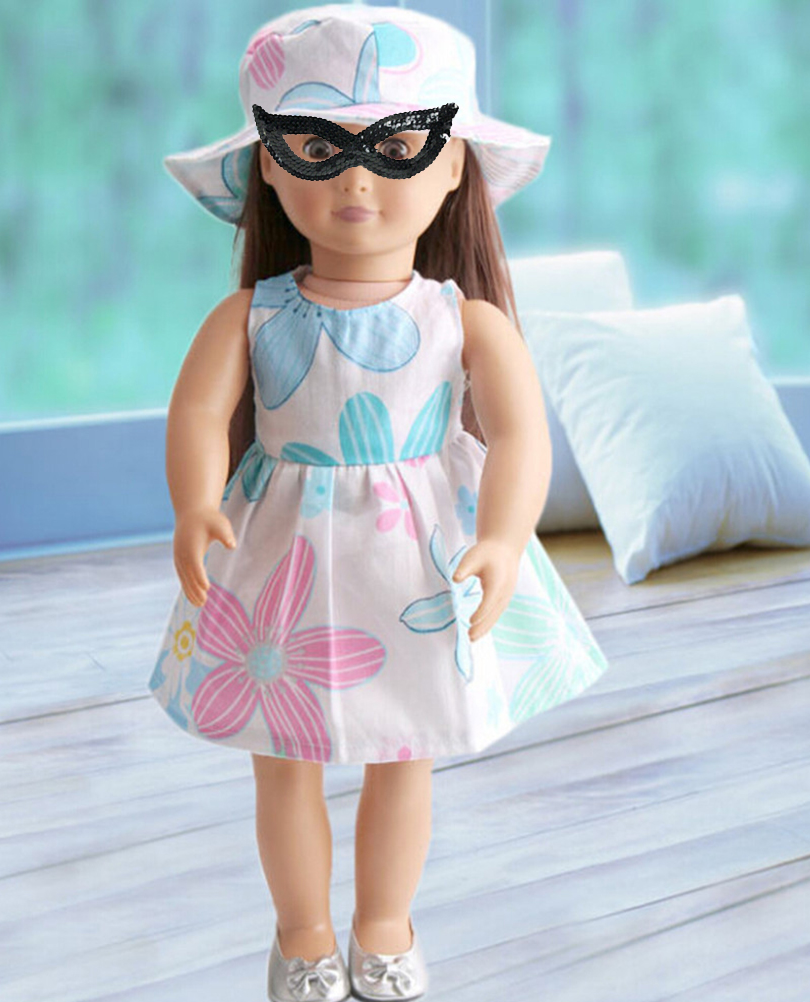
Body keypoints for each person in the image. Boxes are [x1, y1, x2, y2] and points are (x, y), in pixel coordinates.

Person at [148, 6, 609, 1000]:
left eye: (398, 150)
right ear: (270, 170)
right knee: (283, 759)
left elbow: (521, 435)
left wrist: (503, 535)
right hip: (280, 566)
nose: (357, 180)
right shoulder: (252, 315)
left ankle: (385, 925)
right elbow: (197, 414)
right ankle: (304, 934)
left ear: (453, 170)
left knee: (407, 752)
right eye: (316, 151)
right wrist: (193, 503)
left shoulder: (460, 319)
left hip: (418, 564)